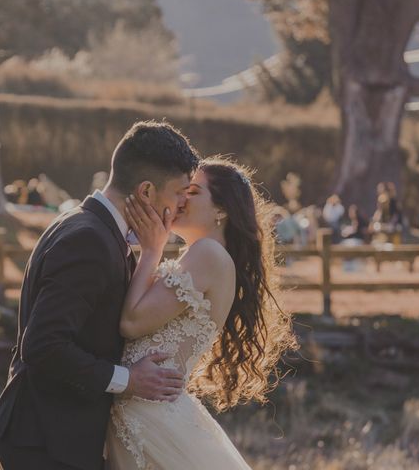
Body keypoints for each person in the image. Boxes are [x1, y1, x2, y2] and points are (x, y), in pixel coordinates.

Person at [0, 120, 200, 470]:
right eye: (180, 192)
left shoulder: (91, 227)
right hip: (46, 438)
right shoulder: (88, 240)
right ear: (146, 191)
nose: (182, 205)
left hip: (59, 433)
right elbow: (44, 345)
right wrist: (129, 380)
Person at [106, 157, 296, 469]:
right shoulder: (201, 257)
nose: (181, 199)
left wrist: (152, 251)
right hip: (144, 411)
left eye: (193, 192)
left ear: (221, 210)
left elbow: (131, 322)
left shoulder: (207, 255)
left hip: (151, 417)